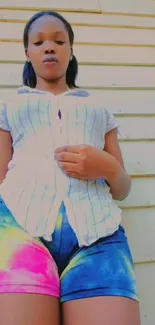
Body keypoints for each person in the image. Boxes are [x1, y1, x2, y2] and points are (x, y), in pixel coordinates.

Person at [0, 10, 140, 325]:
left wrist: (107, 166)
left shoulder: (98, 110)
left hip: (100, 235)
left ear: (70, 50)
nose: (49, 47)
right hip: (18, 231)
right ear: (28, 53)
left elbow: (122, 188)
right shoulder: (10, 108)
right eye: (39, 42)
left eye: (58, 41)